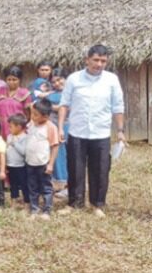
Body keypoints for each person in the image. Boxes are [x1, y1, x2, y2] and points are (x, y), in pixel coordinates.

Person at [58, 45, 125, 218]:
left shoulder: (111, 80)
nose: (99, 64)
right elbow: (64, 105)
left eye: (103, 61)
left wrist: (120, 130)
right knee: (75, 168)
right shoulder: (74, 79)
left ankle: (98, 204)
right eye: (96, 60)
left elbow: (118, 107)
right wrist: (59, 127)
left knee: (101, 169)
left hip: (101, 133)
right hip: (77, 132)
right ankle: (74, 203)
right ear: (87, 59)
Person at [26, 99, 59, 219]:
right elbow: (31, 107)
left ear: (45, 116)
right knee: (32, 187)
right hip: (30, 162)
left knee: (46, 187)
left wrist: (50, 164)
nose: (32, 116)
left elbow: (55, 146)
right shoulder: (31, 124)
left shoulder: (50, 127)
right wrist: (33, 108)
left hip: (43, 163)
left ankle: (47, 210)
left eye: (36, 114)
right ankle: (34, 209)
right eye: (32, 113)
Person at [47, 68, 69, 198]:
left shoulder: (71, 93)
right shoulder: (51, 94)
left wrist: (50, 106)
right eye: (54, 81)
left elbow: (68, 108)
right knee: (54, 156)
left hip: (66, 127)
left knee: (65, 156)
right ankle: (55, 184)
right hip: (52, 128)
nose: (57, 83)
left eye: (60, 79)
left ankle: (67, 185)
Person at [0, 66, 32, 139]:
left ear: (20, 80)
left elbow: (28, 115)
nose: (11, 82)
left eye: (14, 80)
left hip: (16, 127)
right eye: (9, 79)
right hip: (0, 126)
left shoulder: (24, 93)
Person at [6, 114, 30, 207]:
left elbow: (24, 152)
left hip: (21, 166)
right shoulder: (9, 136)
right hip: (10, 165)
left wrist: (15, 143)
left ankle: (27, 201)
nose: (9, 129)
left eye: (11, 127)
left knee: (24, 184)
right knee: (13, 184)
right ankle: (14, 200)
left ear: (19, 127)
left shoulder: (25, 137)